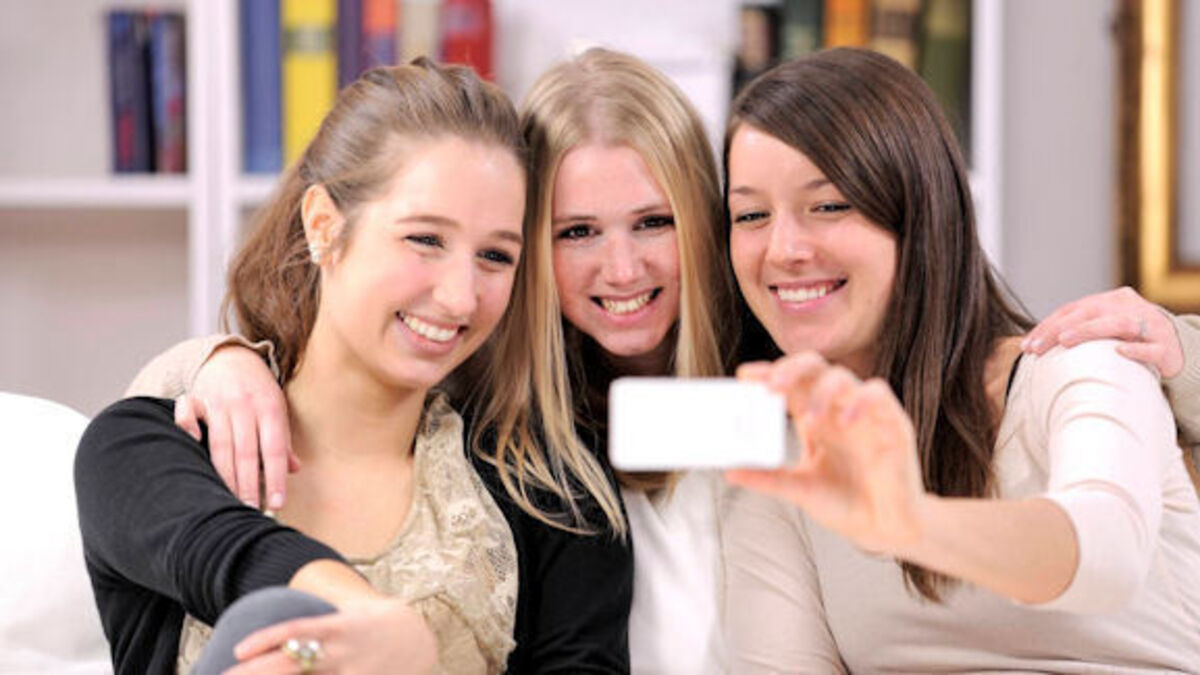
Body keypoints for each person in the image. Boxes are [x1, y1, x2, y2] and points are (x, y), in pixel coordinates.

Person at [127, 47, 737, 674]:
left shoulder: (753, 377)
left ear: (703, 218)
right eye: (577, 231)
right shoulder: (484, 389)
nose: (623, 268)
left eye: (654, 222)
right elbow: (136, 453)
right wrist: (215, 361)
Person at [720, 47, 1200, 672]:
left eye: (830, 205)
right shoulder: (785, 465)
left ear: (921, 214)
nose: (783, 249)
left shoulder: (1080, 364)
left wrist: (910, 523)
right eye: (751, 215)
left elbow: (1104, 557)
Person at [76, 59, 529, 674]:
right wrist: (380, 626)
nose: (460, 298)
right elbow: (226, 554)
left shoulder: (530, 492)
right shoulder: (144, 445)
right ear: (323, 226)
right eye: (425, 239)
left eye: (496, 256)